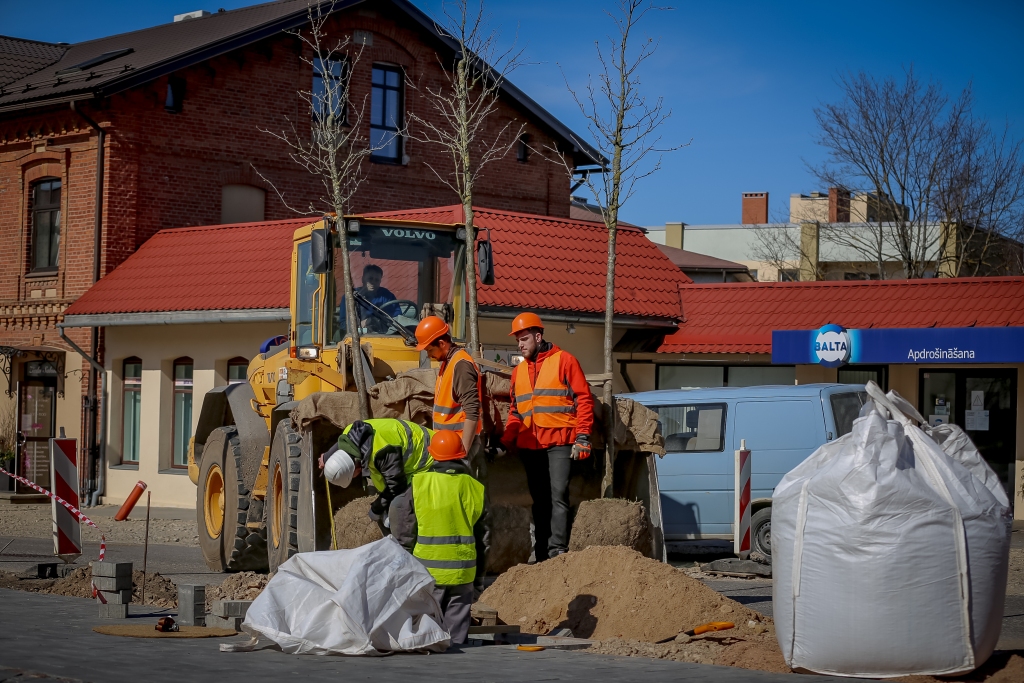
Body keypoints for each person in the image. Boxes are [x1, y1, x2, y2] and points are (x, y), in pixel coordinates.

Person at [502, 312, 595, 562]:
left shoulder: (565, 361)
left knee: (558, 496)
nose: (520, 345)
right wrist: (506, 440)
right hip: (530, 445)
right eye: (517, 341)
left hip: (560, 442)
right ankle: (542, 553)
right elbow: (515, 411)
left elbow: (583, 399)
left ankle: (557, 552)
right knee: (539, 500)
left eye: (523, 339)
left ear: (538, 336)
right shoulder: (518, 372)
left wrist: (583, 436)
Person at [390, 431, 486, 645]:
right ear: (461, 454)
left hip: (428, 572)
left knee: (427, 636)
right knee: (457, 639)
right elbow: (483, 538)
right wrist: (479, 577)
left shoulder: (419, 483)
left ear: (431, 454)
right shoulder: (475, 488)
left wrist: (403, 562)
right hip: (463, 573)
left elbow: (406, 529)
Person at [320, 418, 434, 528]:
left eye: (352, 477)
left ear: (357, 469)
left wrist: (377, 508)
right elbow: (341, 444)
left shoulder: (381, 453)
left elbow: (396, 485)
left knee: (401, 505)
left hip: (428, 456)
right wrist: (327, 457)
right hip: (404, 448)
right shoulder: (349, 433)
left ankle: (407, 539)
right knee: (380, 478)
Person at [340, 263, 400, 333]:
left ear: (380, 281)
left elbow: (397, 319)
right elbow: (343, 324)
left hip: (384, 335)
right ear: (363, 279)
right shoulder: (350, 297)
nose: (373, 282)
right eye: (370, 279)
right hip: (361, 336)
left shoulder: (387, 296)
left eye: (377, 280)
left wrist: (375, 321)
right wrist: (360, 324)